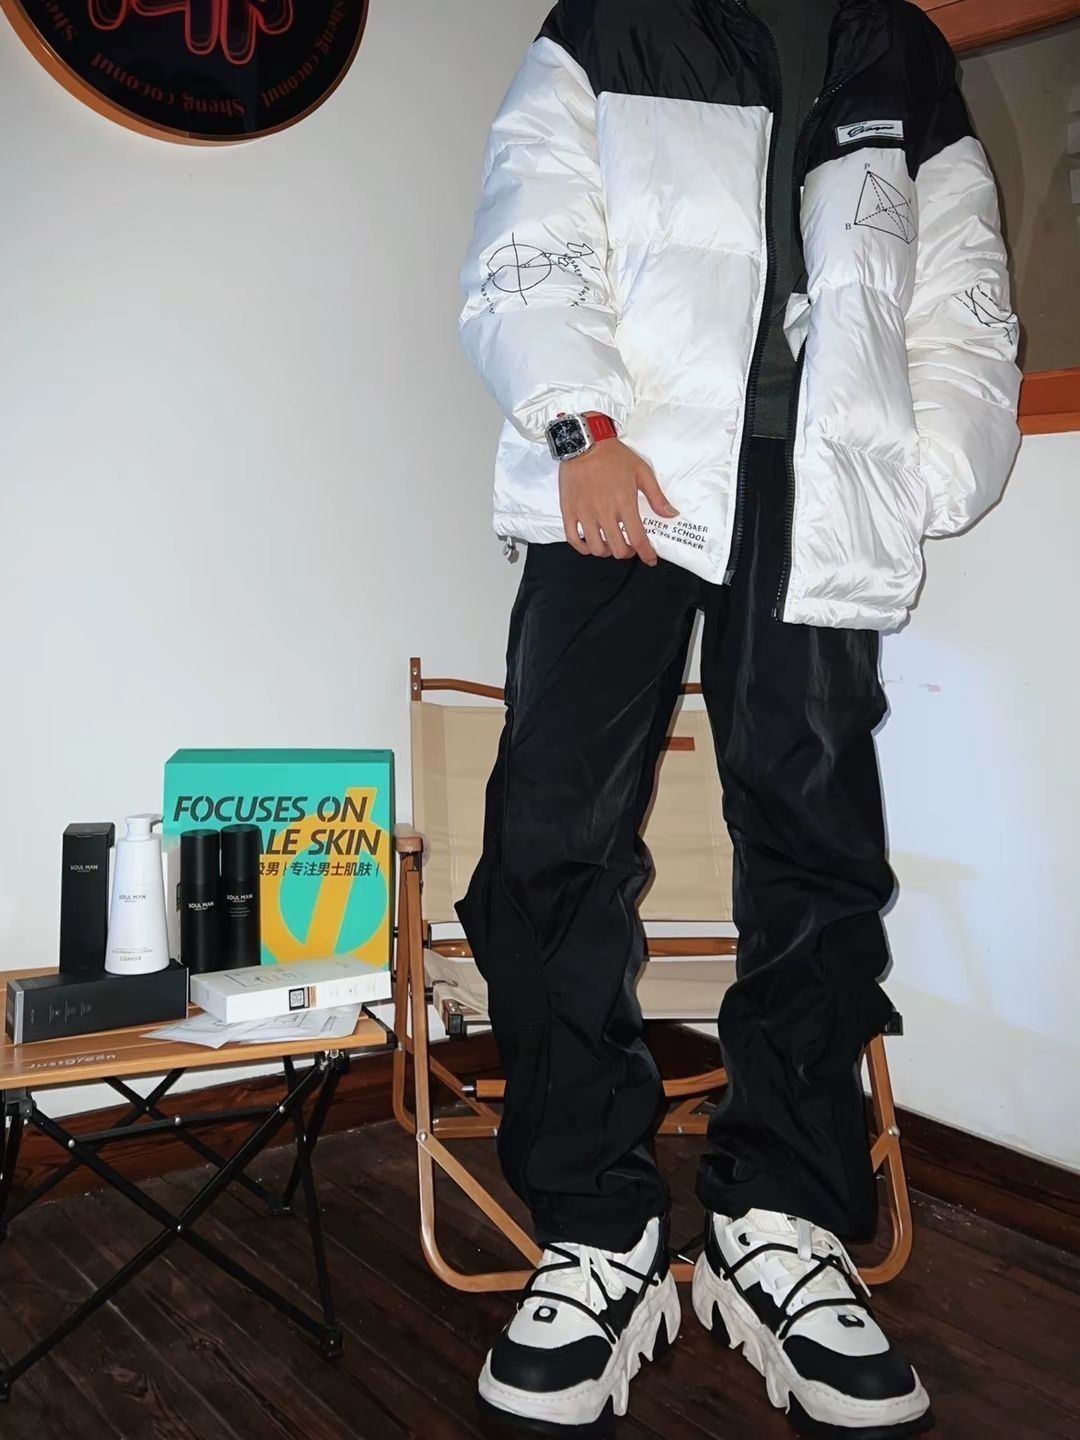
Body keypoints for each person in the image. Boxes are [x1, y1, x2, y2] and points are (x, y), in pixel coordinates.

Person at [456, 0, 1021, 1433]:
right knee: (550, 835)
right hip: (627, 465)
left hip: (817, 479)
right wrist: (578, 425)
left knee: (817, 844)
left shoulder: (899, 50)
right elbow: (531, 219)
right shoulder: (618, 18)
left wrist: (923, 471)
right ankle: (598, 1225)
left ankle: (782, 1217)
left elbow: (962, 283)